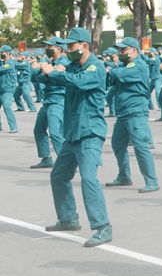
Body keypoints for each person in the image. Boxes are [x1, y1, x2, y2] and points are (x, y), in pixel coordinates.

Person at [40, 28, 113, 247]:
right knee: (59, 175)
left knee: (89, 178)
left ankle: (103, 226)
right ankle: (68, 217)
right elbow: (45, 77)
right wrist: (48, 69)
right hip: (73, 133)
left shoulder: (95, 67)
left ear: (84, 46)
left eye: (71, 46)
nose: (67, 50)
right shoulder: (72, 66)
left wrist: (53, 72)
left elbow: (78, 82)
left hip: (90, 132)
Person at [105, 37, 160, 193]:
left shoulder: (138, 64)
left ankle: (152, 181)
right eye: (119, 50)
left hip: (135, 111)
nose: (119, 53)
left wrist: (114, 69)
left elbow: (119, 74)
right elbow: (113, 78)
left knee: (140, 146)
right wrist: (115, 70)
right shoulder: (125, 65)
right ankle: (124, 176)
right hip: (123, 111)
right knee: (117, 144)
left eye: (123, 50)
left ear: (134, 50)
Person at [30, 37, 67, 168]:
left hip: (59, 99)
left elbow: (48, 76)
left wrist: (41, 70)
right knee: (38, 130)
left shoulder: (65, 62)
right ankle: (46, 158)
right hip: (48, 100)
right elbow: (39, 78)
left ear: (58, 48)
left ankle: (66, 163)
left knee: (56, 132)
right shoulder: (51, 62)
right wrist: (42, 71)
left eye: (49, 47)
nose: (47, 50)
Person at [0, 45, 20, 133]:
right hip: (1, 89)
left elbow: (1, 70)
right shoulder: (2, 63)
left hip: (7, 89)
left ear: (8, 53)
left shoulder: (10, 63)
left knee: (7, 106)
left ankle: (13, 127)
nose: (1, 54)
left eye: (2, 52)